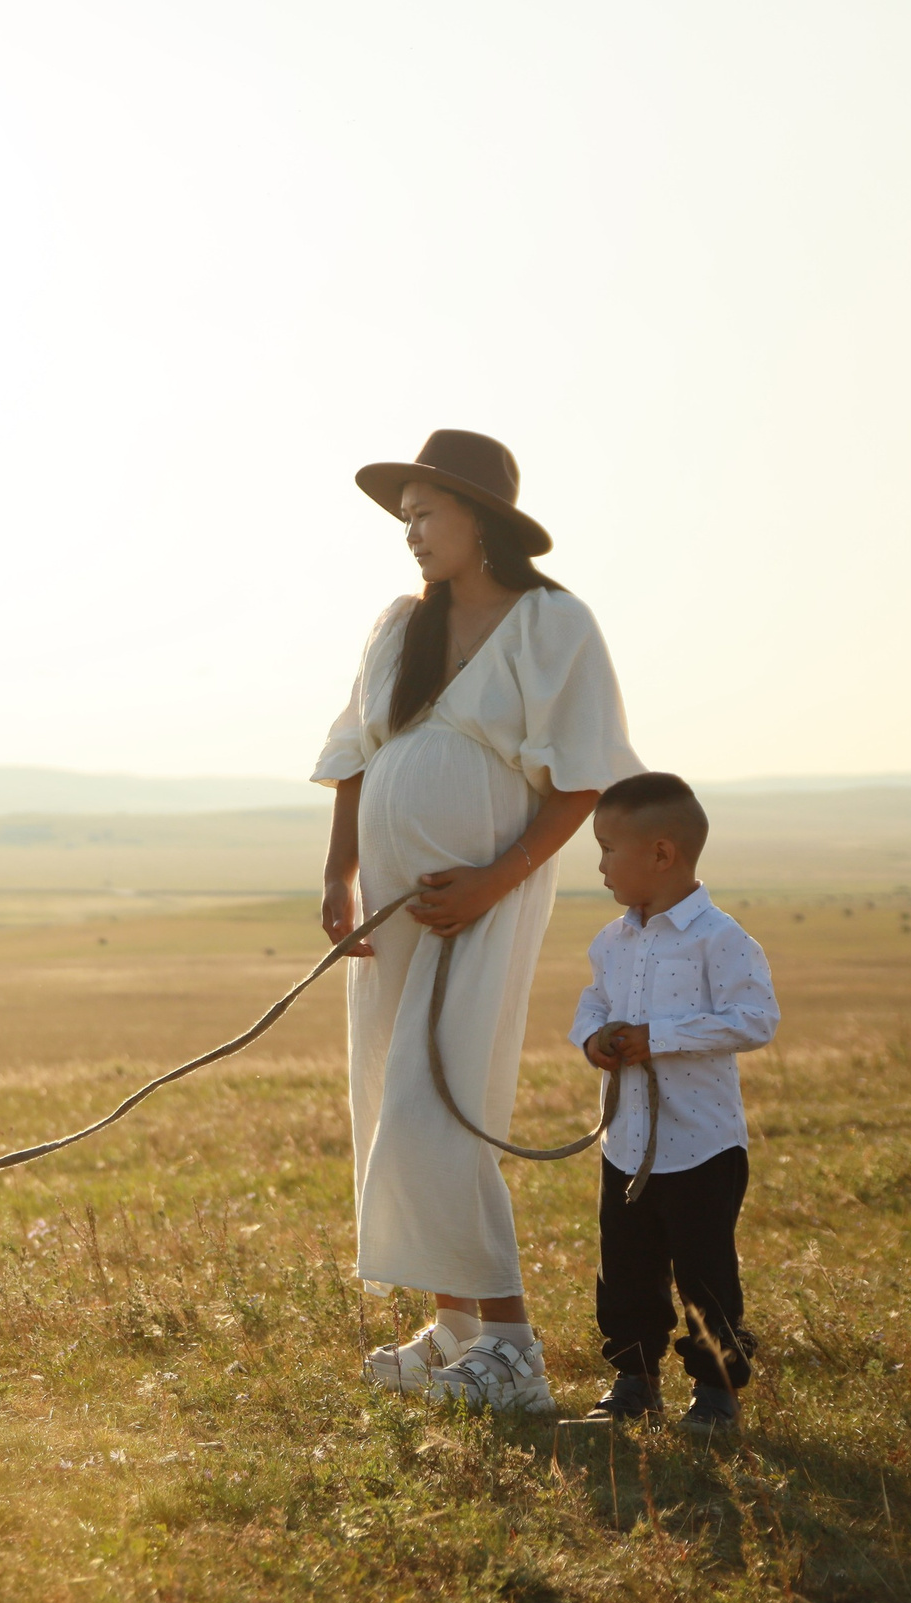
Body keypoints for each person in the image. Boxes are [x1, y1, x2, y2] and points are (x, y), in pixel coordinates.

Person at [315, 429, 642, 1415]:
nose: (409, 534)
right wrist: (339, 872)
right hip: (393, 905)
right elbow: (354, 751)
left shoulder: (553, 624)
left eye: (425, 515)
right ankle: (452, 1326)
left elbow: (580, 777)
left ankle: (512, 1347)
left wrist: (493, 882)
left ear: (479, 518)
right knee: (386, 1098)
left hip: (483, 901)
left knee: (437, 1101)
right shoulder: (395, 624)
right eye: (403, 518)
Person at [571, 772, 779, 1434]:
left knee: (704, 1273)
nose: (598, 863)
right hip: (626, 1142)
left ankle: (716, 1392)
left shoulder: (719, 938)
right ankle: (633, 1381)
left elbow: (756, 1018)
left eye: (607, 847)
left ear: (661, 854)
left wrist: (659, 1038)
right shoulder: (611, 940)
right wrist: (595, 1038)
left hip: (702, 1146)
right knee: (625, 1267)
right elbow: (594, 1002)